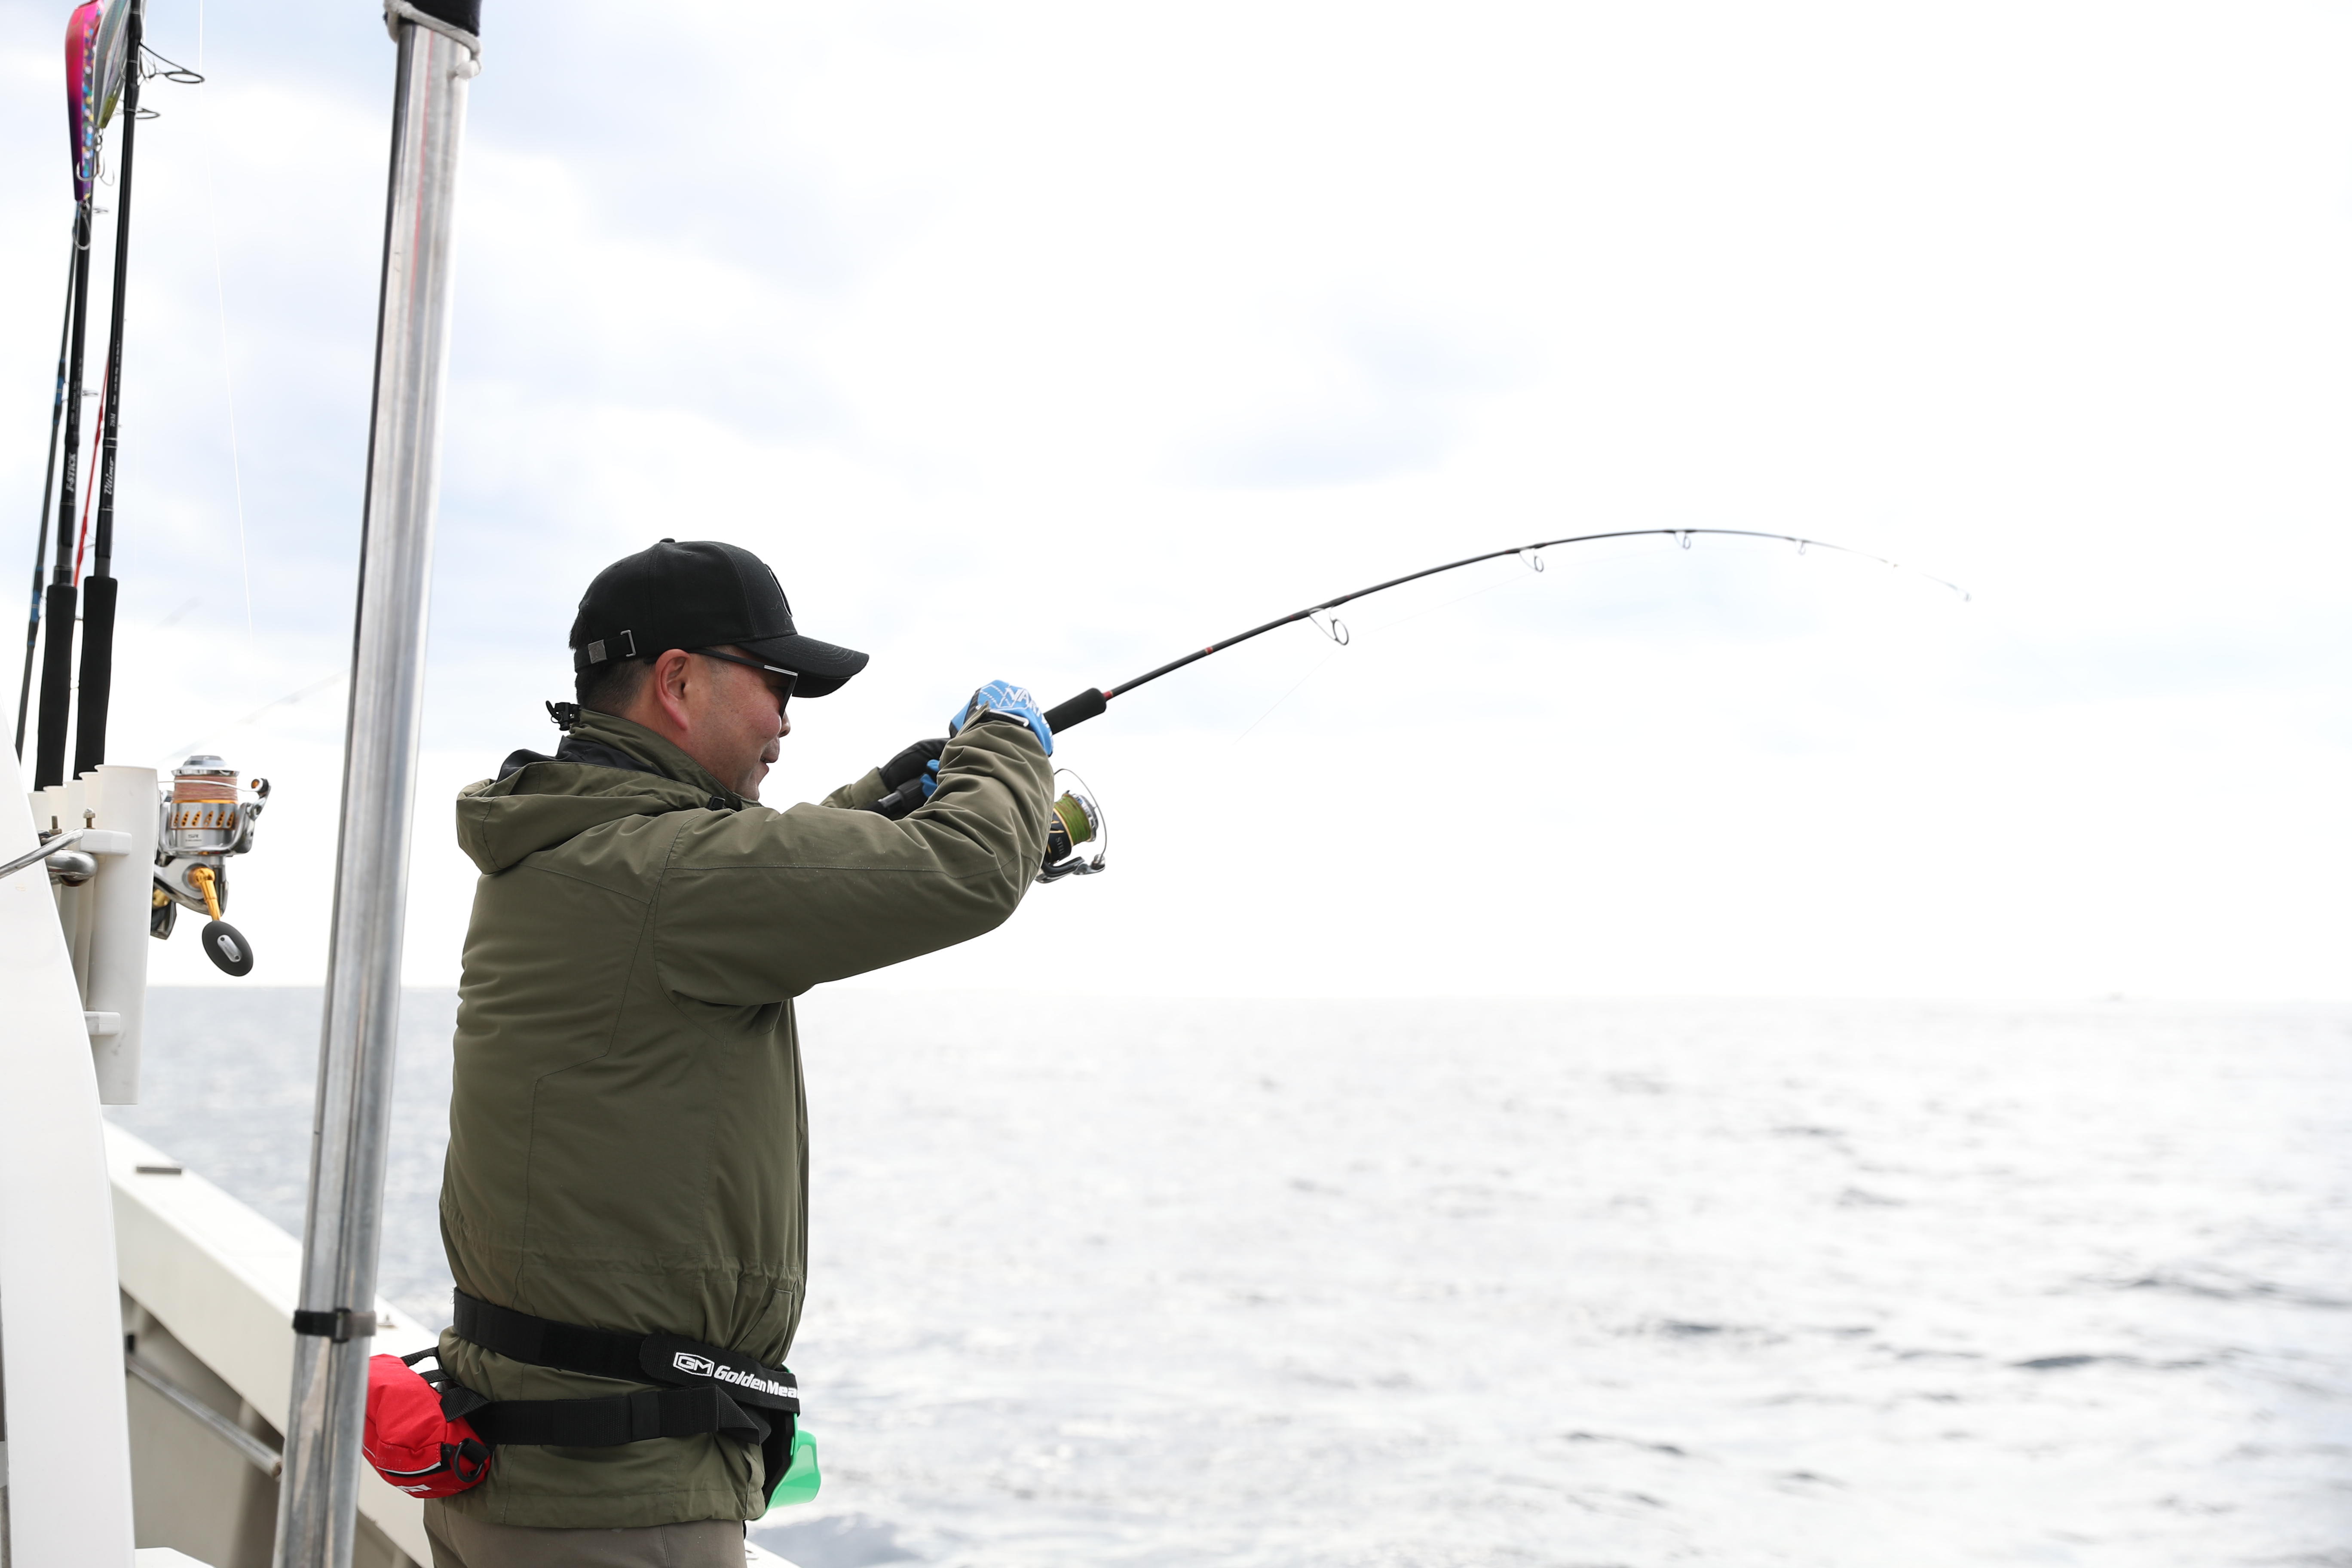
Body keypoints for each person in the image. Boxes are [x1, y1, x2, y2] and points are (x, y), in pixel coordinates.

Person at [421, 538, 1054, 1568]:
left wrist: (888, 787)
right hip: (618, 1505)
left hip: (527, 1466)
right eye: (777, 683)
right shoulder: (666, 876)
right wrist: (1008, 743)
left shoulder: (573, 845)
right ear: (678, 680)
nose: (787, 721)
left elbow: (750, 866)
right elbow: (970, 867)